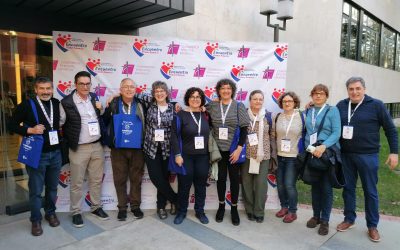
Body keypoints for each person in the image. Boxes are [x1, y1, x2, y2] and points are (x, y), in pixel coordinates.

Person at [335, 77, 398, 242]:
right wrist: (310, 106)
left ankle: (372, 225)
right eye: (351, 89)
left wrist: (394, 152)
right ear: (347, 90)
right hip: (346, 156)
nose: (354, 92)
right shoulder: (341, 105)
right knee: (348, 189)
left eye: (357, 88)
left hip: (368, 156)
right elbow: (329, 119)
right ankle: (349, 219)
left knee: (370, 191)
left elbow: (390, 129)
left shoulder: (376, 105)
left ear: (364, 89)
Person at [10, 77, 62, 236]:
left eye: (48, 88)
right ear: (36, 90)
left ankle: (50, 213)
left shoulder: (56, 103)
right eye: (42, 89)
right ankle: (36, 220)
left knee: (53, 188)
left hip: (56, 153)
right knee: (36, 191)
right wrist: (30, 130)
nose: (46, 92)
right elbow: (11, 124)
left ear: (52, 89)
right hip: (37, 155)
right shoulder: (27, 105)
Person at [60, 71, 109, 228]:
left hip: (96, 146)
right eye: (82, 83)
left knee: (95, 180)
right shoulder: (66, 102)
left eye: (88, 83)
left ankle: (95, 207)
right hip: (78, 148)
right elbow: (60, 123)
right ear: (75, 85)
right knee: (77, 182)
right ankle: (76, 212)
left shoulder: (94, 97)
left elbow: (98, 117)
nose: (85, 86)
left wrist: (102, 109)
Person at [206, 78, 250, 226]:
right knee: (221, 179)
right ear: (218, 90)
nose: (225, 91)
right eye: (223, 88)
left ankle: (234, 209)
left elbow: (245, 128)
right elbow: (198, 108)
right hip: (218, 150)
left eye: (228, 88)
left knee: (234, 180)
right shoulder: (212, 105)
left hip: (233, 150)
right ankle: (221, 206)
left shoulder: (238, 106)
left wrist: (239, 149)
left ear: (232, 91)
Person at [102, 78, 145, 221]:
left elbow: (161, 99)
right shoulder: (113, 103)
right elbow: (104, 122)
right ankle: (122, 207)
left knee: (136, 178)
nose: (129, 89)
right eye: (125, 87)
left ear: (136, 89)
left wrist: (176, 105)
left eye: (132, 86)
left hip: (137, 148)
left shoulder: (142, 103)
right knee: (119, 179)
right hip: (118, 148)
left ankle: (135, 206)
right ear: (120, 89)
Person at [135, 81, 178, 220]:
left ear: (167, 93)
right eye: (156, 91)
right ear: (153, 93)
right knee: (156, 177)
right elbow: (131, 93)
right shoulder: (149, 103)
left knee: (164, 178)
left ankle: (160, 206)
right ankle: (176, 200)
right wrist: (115, 96)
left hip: (166, 149)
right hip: (150, 148)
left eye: (162, 91)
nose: (159, 93)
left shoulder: (173, 108)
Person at [304, 84, 341, 235]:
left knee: (326, 188)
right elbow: (307, 131)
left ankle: (325, 220)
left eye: (321, 93)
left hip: (326, 154)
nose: (318, 96)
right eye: (315, 94)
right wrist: (310, 149)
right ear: (312, 96)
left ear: (326, 96)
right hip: (312, 152)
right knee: (315, 186)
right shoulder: (309, 110)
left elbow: (337, 132)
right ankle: (315, 216)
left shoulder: (332, 110)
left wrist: (323, 146)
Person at [171, 87, 210, 225]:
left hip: (203, 157)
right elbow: (174, 136)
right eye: (192, 97)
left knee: (201, 186)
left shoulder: (206, 114)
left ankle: (200, 211)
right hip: (185, 156)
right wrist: (177, 154)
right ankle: (181, 211)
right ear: (188, 99)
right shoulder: (180, 115)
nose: (195, 99)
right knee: (184, 186)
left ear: (202, 100)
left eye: (198, 97)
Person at [240, 90, 275, 223]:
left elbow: (272, 135)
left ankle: (259, 211)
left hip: (263, 155)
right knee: (247, 184)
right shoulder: (244, 115)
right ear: (250, 100)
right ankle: (249, 209)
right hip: (247, 155)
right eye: (255, 99)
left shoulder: (268, 116)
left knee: (261, 185)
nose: (258, 101)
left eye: (260, 99)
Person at [274, 91, 304, 223]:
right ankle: (284, 207)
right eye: (284, 101)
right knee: (280, 185)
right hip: (280, 155)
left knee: (289, 185)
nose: (287, 103)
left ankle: (293, 211)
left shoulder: (301, 116)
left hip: (293, 156)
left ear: (295, 103)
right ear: (281, 103)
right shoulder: (278, 116)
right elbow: (273, 134)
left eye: (290, 101)